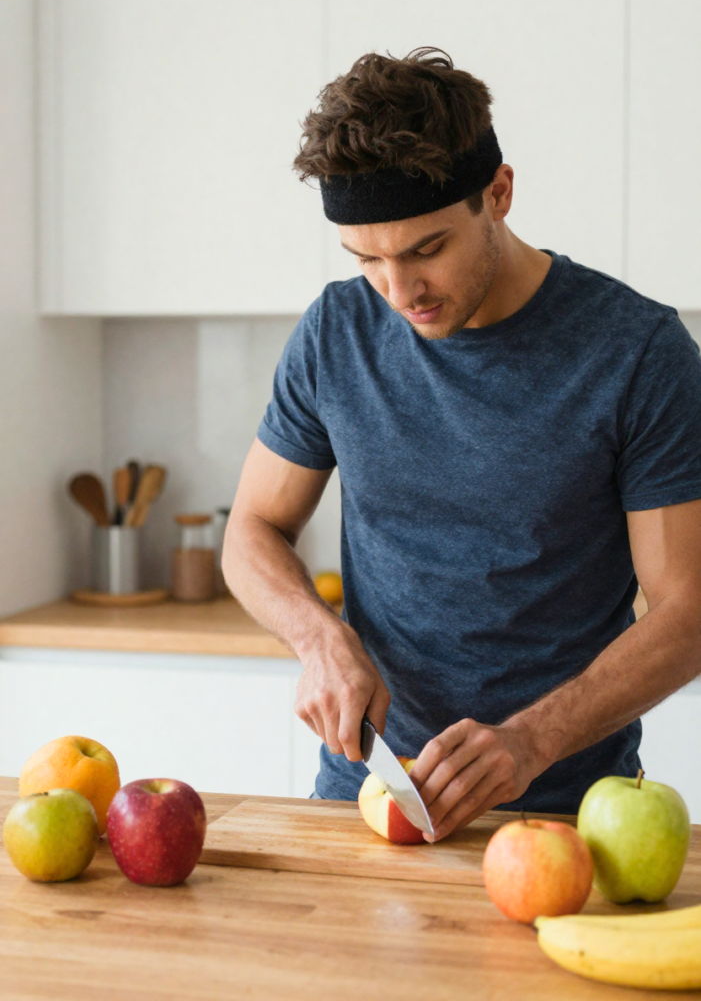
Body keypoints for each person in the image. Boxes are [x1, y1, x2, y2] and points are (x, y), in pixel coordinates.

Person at [223, 48, 701, 842]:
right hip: (367, 794)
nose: (398, 291)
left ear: (498, 194)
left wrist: (530, 740)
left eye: (425, 249)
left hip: (564, 815)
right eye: (367, 259)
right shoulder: (335, 333)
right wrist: (317, 637)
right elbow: (251, 529)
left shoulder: (637, 353)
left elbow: (686, 613)